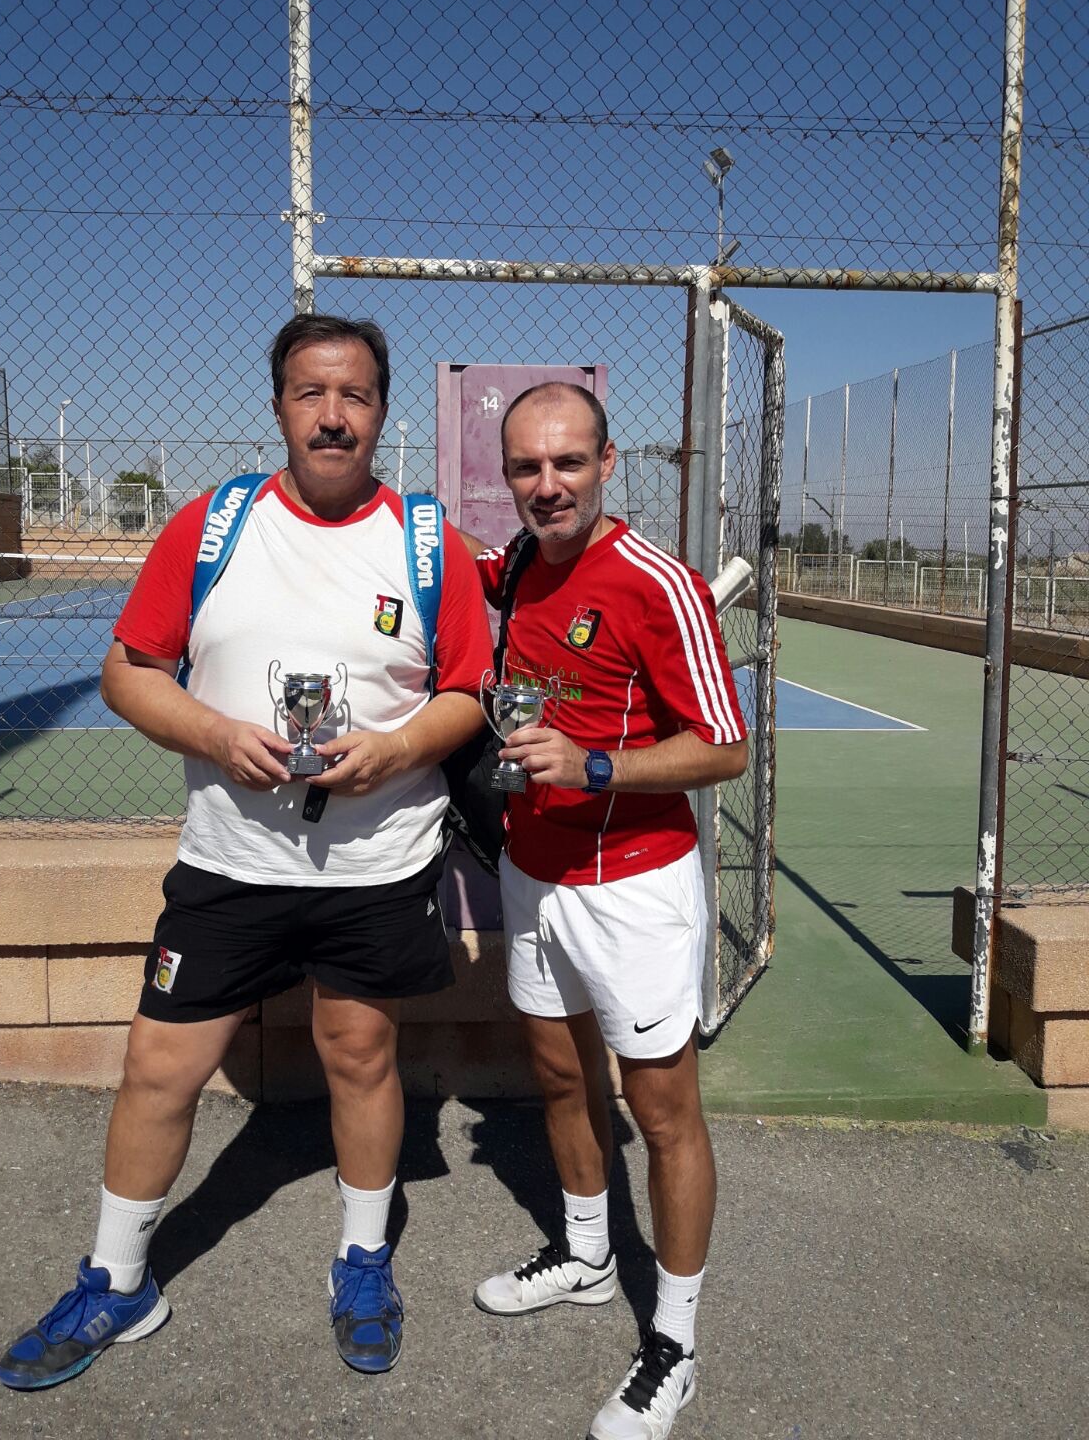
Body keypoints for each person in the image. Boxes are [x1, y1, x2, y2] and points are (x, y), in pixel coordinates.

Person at [0, 313, 492, 1390]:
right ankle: (118, 1280)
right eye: (312, 392)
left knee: (359, 1055)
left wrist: (398, 749)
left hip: (375, 867)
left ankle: (364, 1263)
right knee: (159, 1066)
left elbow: (466, 692)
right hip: (230, 864)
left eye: (354, 395)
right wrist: (218, 736)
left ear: (382, 412)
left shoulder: (426, 542)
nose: (333, 415)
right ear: (278, 407)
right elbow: (129, 671)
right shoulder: (212, 525)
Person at [462, 382, 748, 1440]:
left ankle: (674, 1342)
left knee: (662, 1113)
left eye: (568, 463)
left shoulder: (657, 583)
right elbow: (452, 571)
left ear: (608, 462)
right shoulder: (517, 567)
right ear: (508, 476)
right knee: (557, 1075)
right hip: (533, 873)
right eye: (527, 467)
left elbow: (724, 746)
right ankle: (587, 1255)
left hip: (634, 886)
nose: (549, 485)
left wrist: (595, 763)